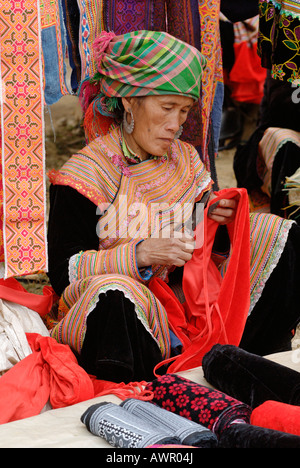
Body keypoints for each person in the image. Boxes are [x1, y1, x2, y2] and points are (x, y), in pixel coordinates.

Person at [47, 30, 300, 384]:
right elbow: (62, 272)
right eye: (166, 108)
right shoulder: (83, 175)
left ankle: (254, 356)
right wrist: (141, 254)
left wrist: (212, 221)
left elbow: (199, 249)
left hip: (189, 304)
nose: (176, 124)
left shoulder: (184, 157)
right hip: (136, 311)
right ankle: (145, 385)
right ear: (129, 101)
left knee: (278, 232)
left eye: (183, 111)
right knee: (113, 295)